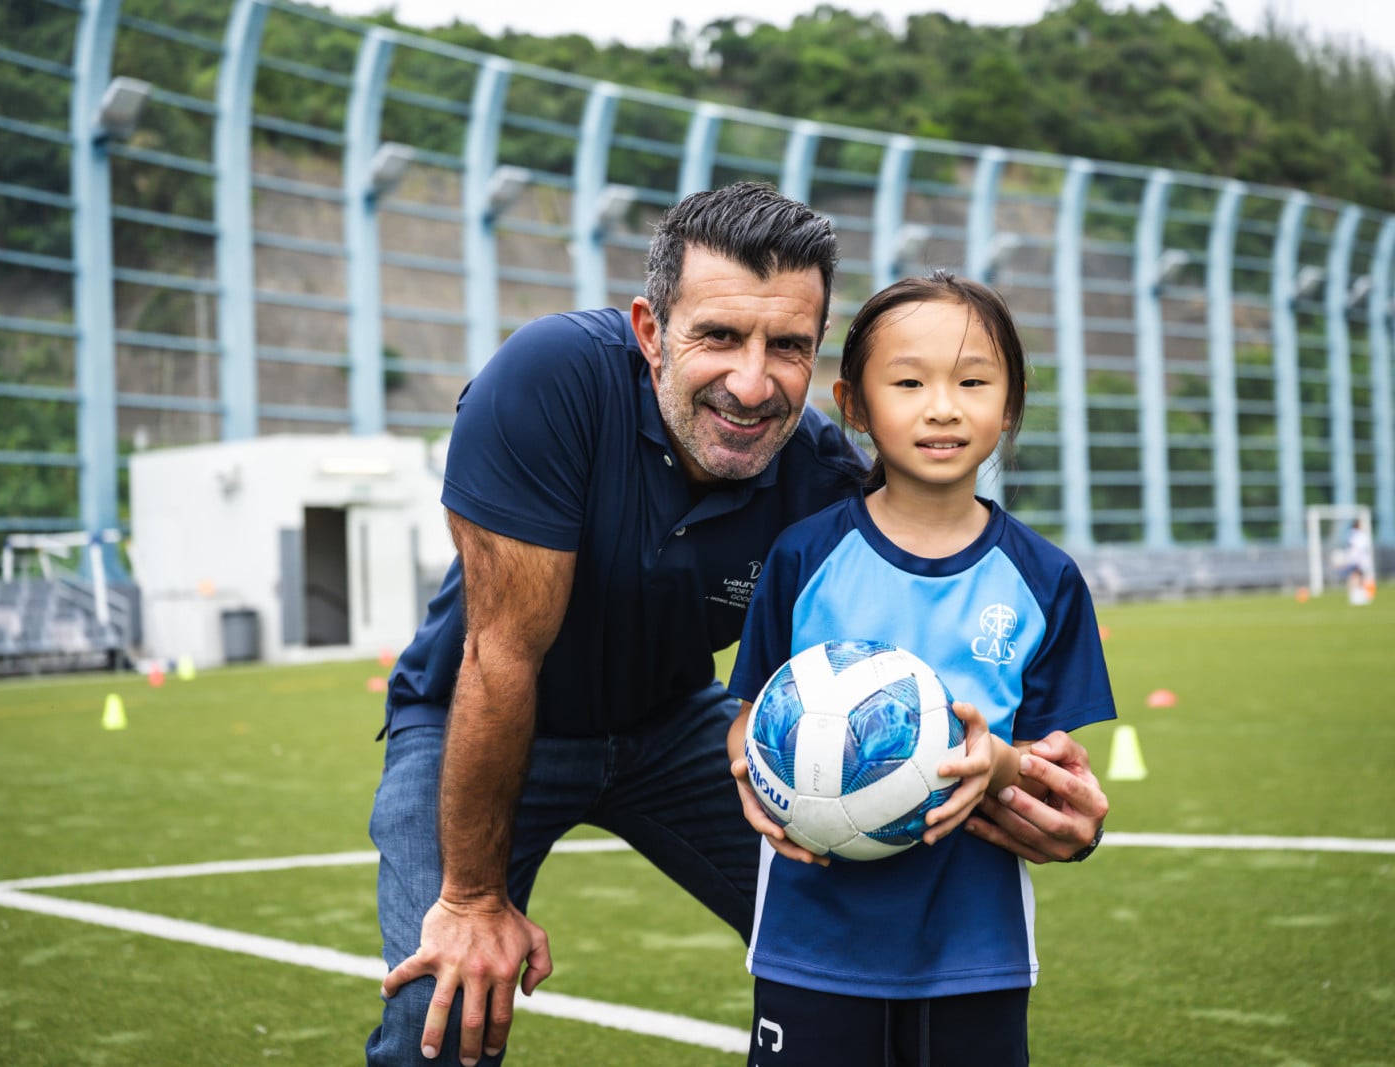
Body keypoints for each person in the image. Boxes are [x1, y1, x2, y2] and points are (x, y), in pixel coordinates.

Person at [367, 184, 1109, 1067]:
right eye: (718, 336)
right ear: (650, 330)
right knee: (437, 1016)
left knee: (858, 908)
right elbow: (501, 657)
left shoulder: (826, 481)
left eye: (787, 346)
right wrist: (476, 899)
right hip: (481, 715)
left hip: (675, 726)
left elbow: (931, 649)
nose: (752, 383)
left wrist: (1049, 800)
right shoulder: (547, 381)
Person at [725, 272, 1117, 1066]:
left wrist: (1002, 763)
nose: (943, 406)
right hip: (813, 942)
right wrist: (750, 760)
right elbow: (749, 708)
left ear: (1008, 405)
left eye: (973, 382)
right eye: (909, 382)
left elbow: (1056, 775)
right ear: (855, 405)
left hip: (973, 952)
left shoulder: (1044, 580)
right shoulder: (805, 558)